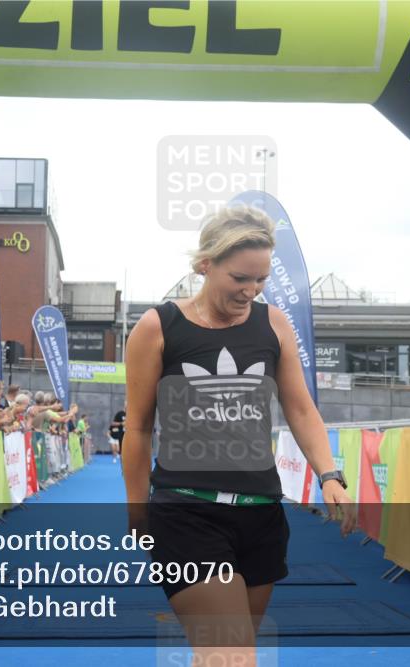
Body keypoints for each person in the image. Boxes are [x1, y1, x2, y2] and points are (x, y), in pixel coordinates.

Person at [122, 205, 355, 663]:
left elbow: (301, 409)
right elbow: (139, 427)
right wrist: (137, 512)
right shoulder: (158, 326)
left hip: (261, 516)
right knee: (232, 655)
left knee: (224, 654)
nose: (251, 291)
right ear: (205, 264)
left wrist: (330, 475)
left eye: (261, 280)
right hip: (188, 513)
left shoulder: (273, 323)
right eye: (239, 278)